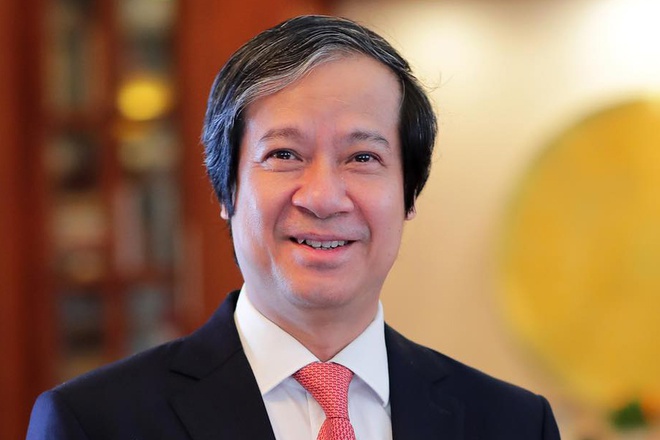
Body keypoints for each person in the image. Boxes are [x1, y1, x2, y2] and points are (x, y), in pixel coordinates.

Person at [27, 15, 561, 439]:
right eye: (284, 154)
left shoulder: (512, 424)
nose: (324, 198)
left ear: (408, 194)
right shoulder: (93, 423)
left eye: (363, 158)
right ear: (226, 189)